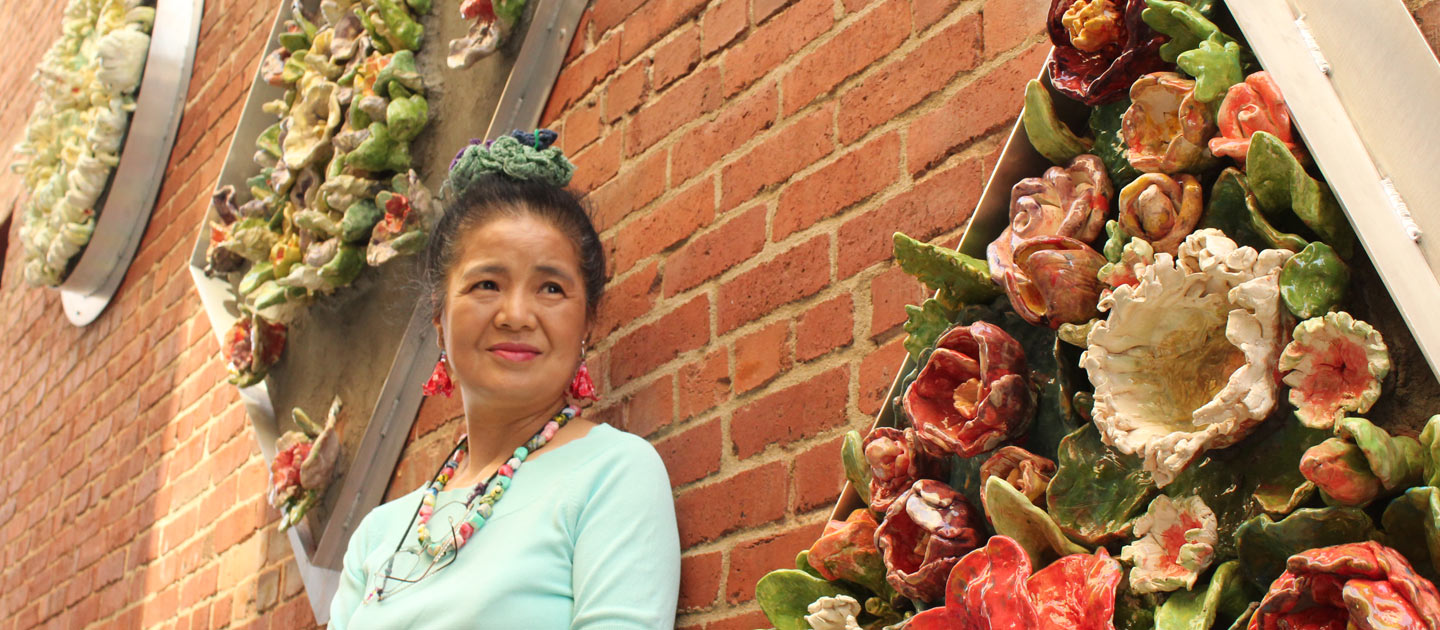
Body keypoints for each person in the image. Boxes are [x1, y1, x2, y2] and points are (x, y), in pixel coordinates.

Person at [329, 130, 681, 629]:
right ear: (439, 320)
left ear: (586, 323)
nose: (516, 314)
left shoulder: (611, 474)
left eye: (551, 288)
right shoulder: (376, 535)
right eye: (486, 284)